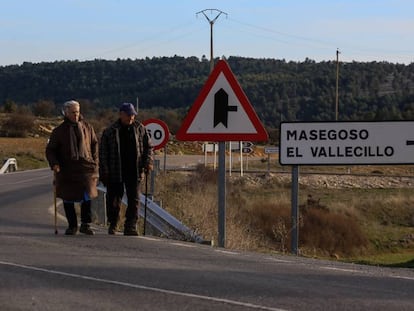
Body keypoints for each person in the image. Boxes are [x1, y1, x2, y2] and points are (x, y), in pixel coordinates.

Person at [46, 100, 99, 235]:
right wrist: (55, 164)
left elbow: (94, 145)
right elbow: (50, 150)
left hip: (85, 169)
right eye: (73, 112)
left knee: (87, 197)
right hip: (67, 169)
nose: (76, 115)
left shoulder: (87, 127)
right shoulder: (59, 131)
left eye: (77, 112)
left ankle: (86, 225)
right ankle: (72, 226)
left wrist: (94, 162)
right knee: (68, 198)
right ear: (66, 113)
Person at [99, 103, 153, 236]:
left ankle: (131, 226)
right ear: (121, 114)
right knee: (114, 199)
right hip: (115, 170)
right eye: (128, 115)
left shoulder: (140, 129)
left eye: (133, 115)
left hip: (134, 170)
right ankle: (113, 223)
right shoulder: (110, 131)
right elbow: (103, 153)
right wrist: (104, 170)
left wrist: (147, 162)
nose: (131, 117)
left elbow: (149, 148)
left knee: (134, 199)